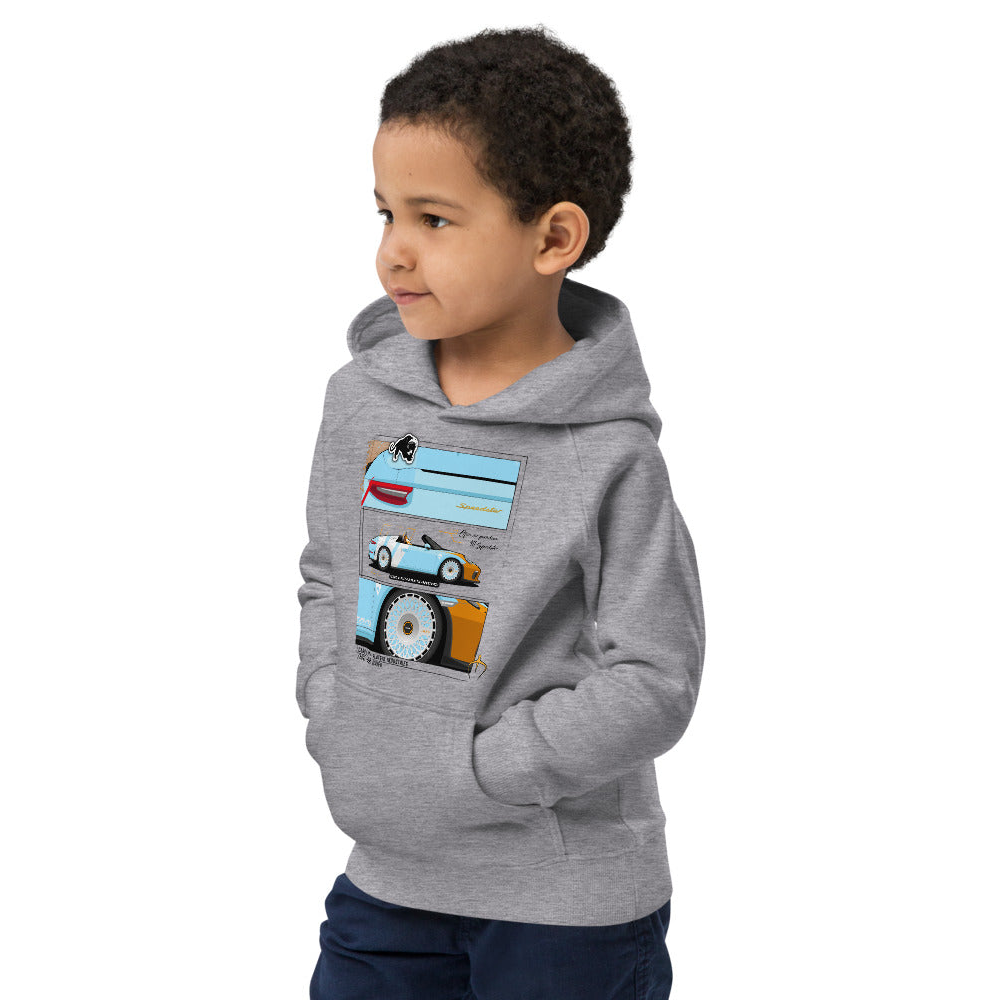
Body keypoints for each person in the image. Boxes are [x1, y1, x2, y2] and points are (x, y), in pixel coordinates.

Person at [297, 25, 706, 1000]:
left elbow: (655, 677)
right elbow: (328, 573)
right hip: (386, 882)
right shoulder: (360, 401)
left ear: (553, 238)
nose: (394, 251)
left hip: (563, 910)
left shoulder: (610, 454)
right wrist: (333, 714)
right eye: (386, 212)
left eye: (435, 219)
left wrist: (486, 770)